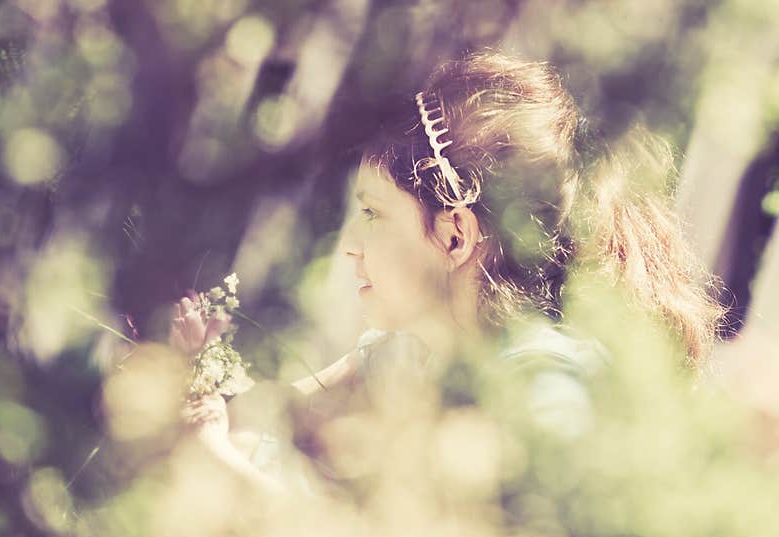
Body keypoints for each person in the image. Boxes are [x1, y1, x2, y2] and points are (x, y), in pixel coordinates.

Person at [172, 48, 725, 494]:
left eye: (372, 213)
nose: (352, 247)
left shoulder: (544, 393)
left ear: (455, 234)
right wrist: (191, 375)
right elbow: (267, 416)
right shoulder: (405, 350)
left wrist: (213, 454)